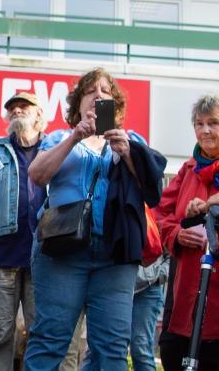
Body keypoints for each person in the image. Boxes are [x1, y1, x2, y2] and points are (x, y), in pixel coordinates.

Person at [24, 68, 165, 370]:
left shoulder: (131, 140)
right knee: (50, 340)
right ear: (78, 103)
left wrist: (127, 153)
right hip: (62, 252)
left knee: (112, 349)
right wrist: (75, 136)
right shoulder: (60, 137)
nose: (98, 96)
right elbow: (37, 175)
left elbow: (154, 191)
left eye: (105, 92)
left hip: (115, 256)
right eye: (91, 91)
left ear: (114, 105)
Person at [0, 92, 48, 371]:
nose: (18, 110)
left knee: (40, 334)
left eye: (25, 106)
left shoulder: (54, 149)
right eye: (13, 108)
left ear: (39, 115)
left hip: (44, 256)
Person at [157, 94, 219, 370]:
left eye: (214, 123)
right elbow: (159, 215)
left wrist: (208, 206)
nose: (205, 130)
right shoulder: (187, 171)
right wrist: (176, 235)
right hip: (184, 292)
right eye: (200, 123)